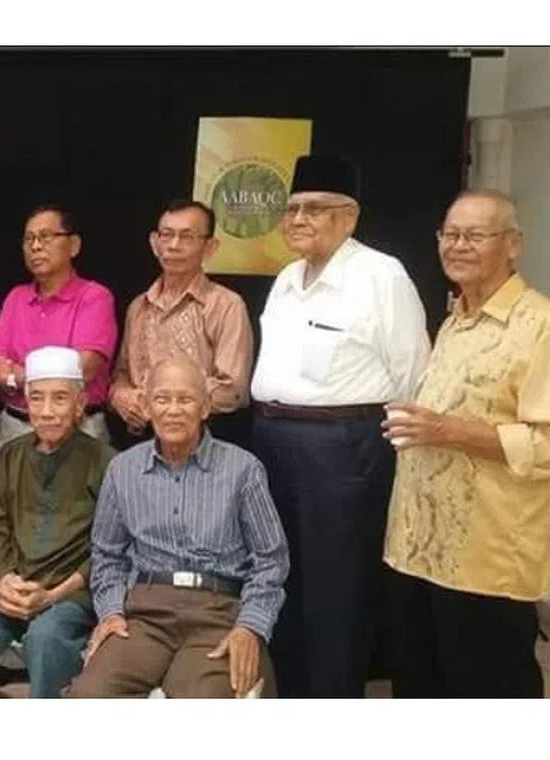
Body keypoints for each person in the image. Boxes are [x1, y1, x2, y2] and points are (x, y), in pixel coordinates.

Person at [249, 154, 430, 697]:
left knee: (337, 592)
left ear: (349, 217)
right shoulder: (287, 278)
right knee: (282, 578)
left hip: (343, 449)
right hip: (273, 441)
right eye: (291, 210)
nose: (297, 220)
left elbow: (413, 373)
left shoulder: (381, 276)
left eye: (314, 209)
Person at [383, 190, 550, 697]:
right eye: (450, 234)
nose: (457, 246)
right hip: (416, 549)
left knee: (488, 693)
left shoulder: (539, 326)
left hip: (487, 560)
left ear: (513, 245)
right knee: (419, 688)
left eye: (474, 236)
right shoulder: (455, 321)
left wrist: (447, 431)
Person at [66, 357, 288, 698]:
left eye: (185, 399)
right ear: (146, 406)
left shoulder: (243, 469)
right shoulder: (123, 469)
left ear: (205, 407)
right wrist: (110, 613)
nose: (173, 410)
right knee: (89, 695)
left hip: (217, 613)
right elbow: (107, 556)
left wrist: (250, 627)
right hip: (144, 615)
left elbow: (271, 561)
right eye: (162, 399)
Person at [0, 346, 115, 698]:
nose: (47, 411)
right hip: (8, 586)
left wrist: (52, 595)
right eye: (37, 398)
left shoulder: (106, 461)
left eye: (60, 398)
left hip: (70, 593)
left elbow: (109, 548)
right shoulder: (10, 455)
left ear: (80, 403)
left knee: (47, 639)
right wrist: (8, 579)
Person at [110, 200, 253, 444]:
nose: (174, 245)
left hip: (203, 439)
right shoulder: (138, 306)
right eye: (166, 235)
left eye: (187, 237)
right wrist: (120, 396)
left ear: (210, 247)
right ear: (154, 242)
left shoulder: (226, 305)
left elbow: (233, 390)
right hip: (140, 440)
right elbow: (120, 375)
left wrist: (161, 403)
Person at [0, 206, 117, 451]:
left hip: (78, 427)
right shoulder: (16, 298)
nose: (35, 246)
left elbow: (85, 367)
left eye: (45, 237)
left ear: (74, 245)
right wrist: (56, 371)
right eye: (29, 239)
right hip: (16, 427)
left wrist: (15, 375)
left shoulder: (94, 297)